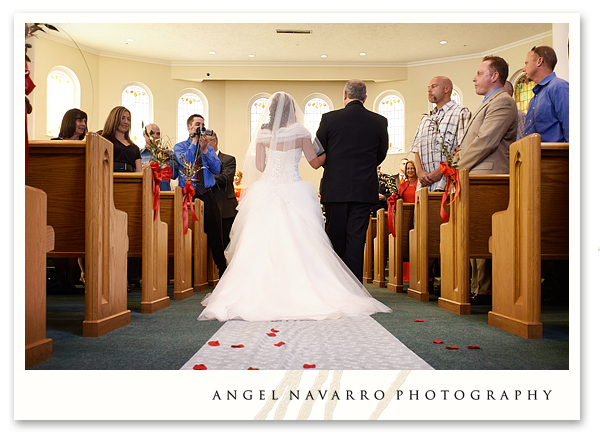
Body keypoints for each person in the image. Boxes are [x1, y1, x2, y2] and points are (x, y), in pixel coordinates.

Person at [198, 92, 391, 322]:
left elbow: (260, 166)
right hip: (294, 190)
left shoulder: (263, 133)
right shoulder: (301, 133)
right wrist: (335, 153)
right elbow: (314, 161)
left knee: (263, 244)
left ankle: (260, 290)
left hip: (267, 191)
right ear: (292, 110)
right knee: (303, 241)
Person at [455, 55, 518, 302]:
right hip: (475, 173)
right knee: (474, 233)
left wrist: (455, 166)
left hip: (489, 175)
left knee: (483, 233)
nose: (474, 77)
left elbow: (485, 142)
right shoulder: (488, 102)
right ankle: (476, 286)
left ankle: (485, 289)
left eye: (480, 73)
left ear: (495, 76)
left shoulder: (502, 102)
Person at [316, 79, 389, 281]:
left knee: (335, 239)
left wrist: (334, 165)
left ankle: (336, 285)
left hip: (335, 188)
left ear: (345, 95)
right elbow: (381, 154)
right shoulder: (379, 121)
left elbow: (318, 151)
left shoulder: (329, 119)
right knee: (356, 240)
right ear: (365, 98)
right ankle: (355, 287)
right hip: (364, 189)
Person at [173, 114, 227, 278]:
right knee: (188, 235)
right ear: (189, 127)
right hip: (189, 196)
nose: (200, 127)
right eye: (197, 124)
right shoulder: (179, 147)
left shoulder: (208, 148)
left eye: (202, 124)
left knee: (216, 235)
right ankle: (188, 274)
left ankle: (222, 271)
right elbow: (187, 163)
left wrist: (204, 149)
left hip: (208, 196)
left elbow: (217, 169)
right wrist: (195, 142)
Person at [411, 76, 471, 193]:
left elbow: (462, 147)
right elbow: (416, 150)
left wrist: (440, 171)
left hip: (447, 184)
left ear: (446, 89)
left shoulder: (460, 113)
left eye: (434, 86)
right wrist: (419, 172)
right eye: (428, 87)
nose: (429, 90)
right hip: (424, 187)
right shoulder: (425, 119)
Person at [522, 45, 569, 142]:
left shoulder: (559, 87)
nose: (524, 69)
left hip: (555, 156)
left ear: (539, 61)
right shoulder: (534, 98)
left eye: (526, 63)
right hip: (536, 155)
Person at [207, 131, 238, 249]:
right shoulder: (199, 160)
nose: (202, 144)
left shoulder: (228, 159)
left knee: (226, 242)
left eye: (205, 141)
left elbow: (226, 178)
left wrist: (205, 177)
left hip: (224, 207)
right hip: (206, 207)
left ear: (214, 141)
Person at [101, 106, 142, 173]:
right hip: (110, 178)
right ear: (114, 119)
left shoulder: (134, 148)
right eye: (122, 118)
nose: (126, 122)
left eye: (128, 119)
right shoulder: (105, 141)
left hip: (130, 180)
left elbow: (139, 173)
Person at [141, 123, 173, 191]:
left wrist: (164, 164)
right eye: (152, 133)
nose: (155, 136)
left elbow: (174, 175)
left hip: (164, 194)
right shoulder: (138, 154)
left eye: (158, 134)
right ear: (144, 134)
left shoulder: (168, 154)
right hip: (145, 192)